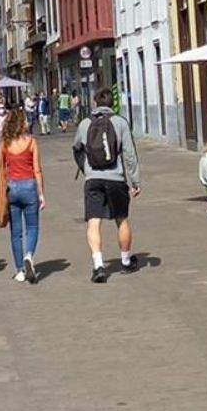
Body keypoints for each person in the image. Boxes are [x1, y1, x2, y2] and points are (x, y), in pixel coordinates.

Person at [74, 92, 141, 283]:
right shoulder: (120, 122)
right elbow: (129, 154)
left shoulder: (85, 123)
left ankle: (98, 265)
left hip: (93, 179)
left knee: (94, 222)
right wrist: (135, 181)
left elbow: (76, 147)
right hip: (116, 179)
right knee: (122, 219)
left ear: (95, 103)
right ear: (113, 104)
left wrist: (86, 169)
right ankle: (126, 261)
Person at [0, 108, 46, 283]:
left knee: (16, 232)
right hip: (29, 186)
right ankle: (29, 255)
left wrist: (5, 176)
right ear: (21, 123)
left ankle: (19, 271)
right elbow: (37, 170)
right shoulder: (31, 142)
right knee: (32, 227)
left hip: (12, 188)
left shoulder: (5, 143)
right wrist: (41, 194)